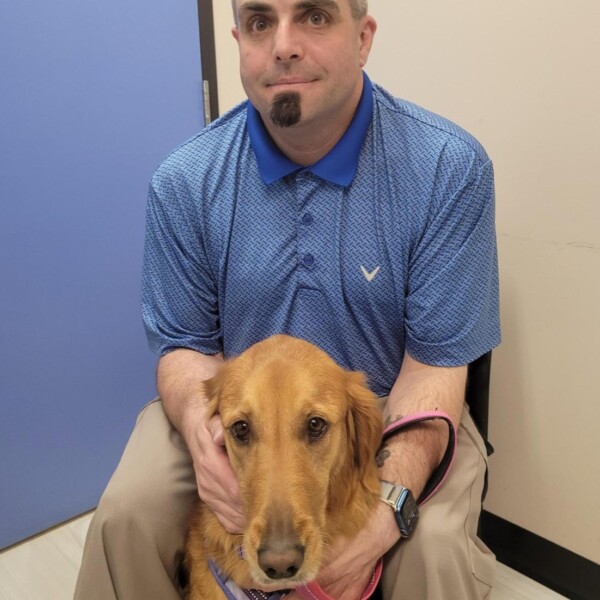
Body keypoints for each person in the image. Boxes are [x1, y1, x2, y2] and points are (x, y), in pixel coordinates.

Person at [74, 0, 500, 599]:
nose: (283, 45)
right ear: (238, 42)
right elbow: (184, 349)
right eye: (259, 22)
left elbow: (432, 375)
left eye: (315, 16)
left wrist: (387, 513)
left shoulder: (447, 170)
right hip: (237, 408)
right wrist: (207, 435)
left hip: (391, 409)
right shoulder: (185, 181)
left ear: (363, 37)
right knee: (128, 509)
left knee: (429, 549)